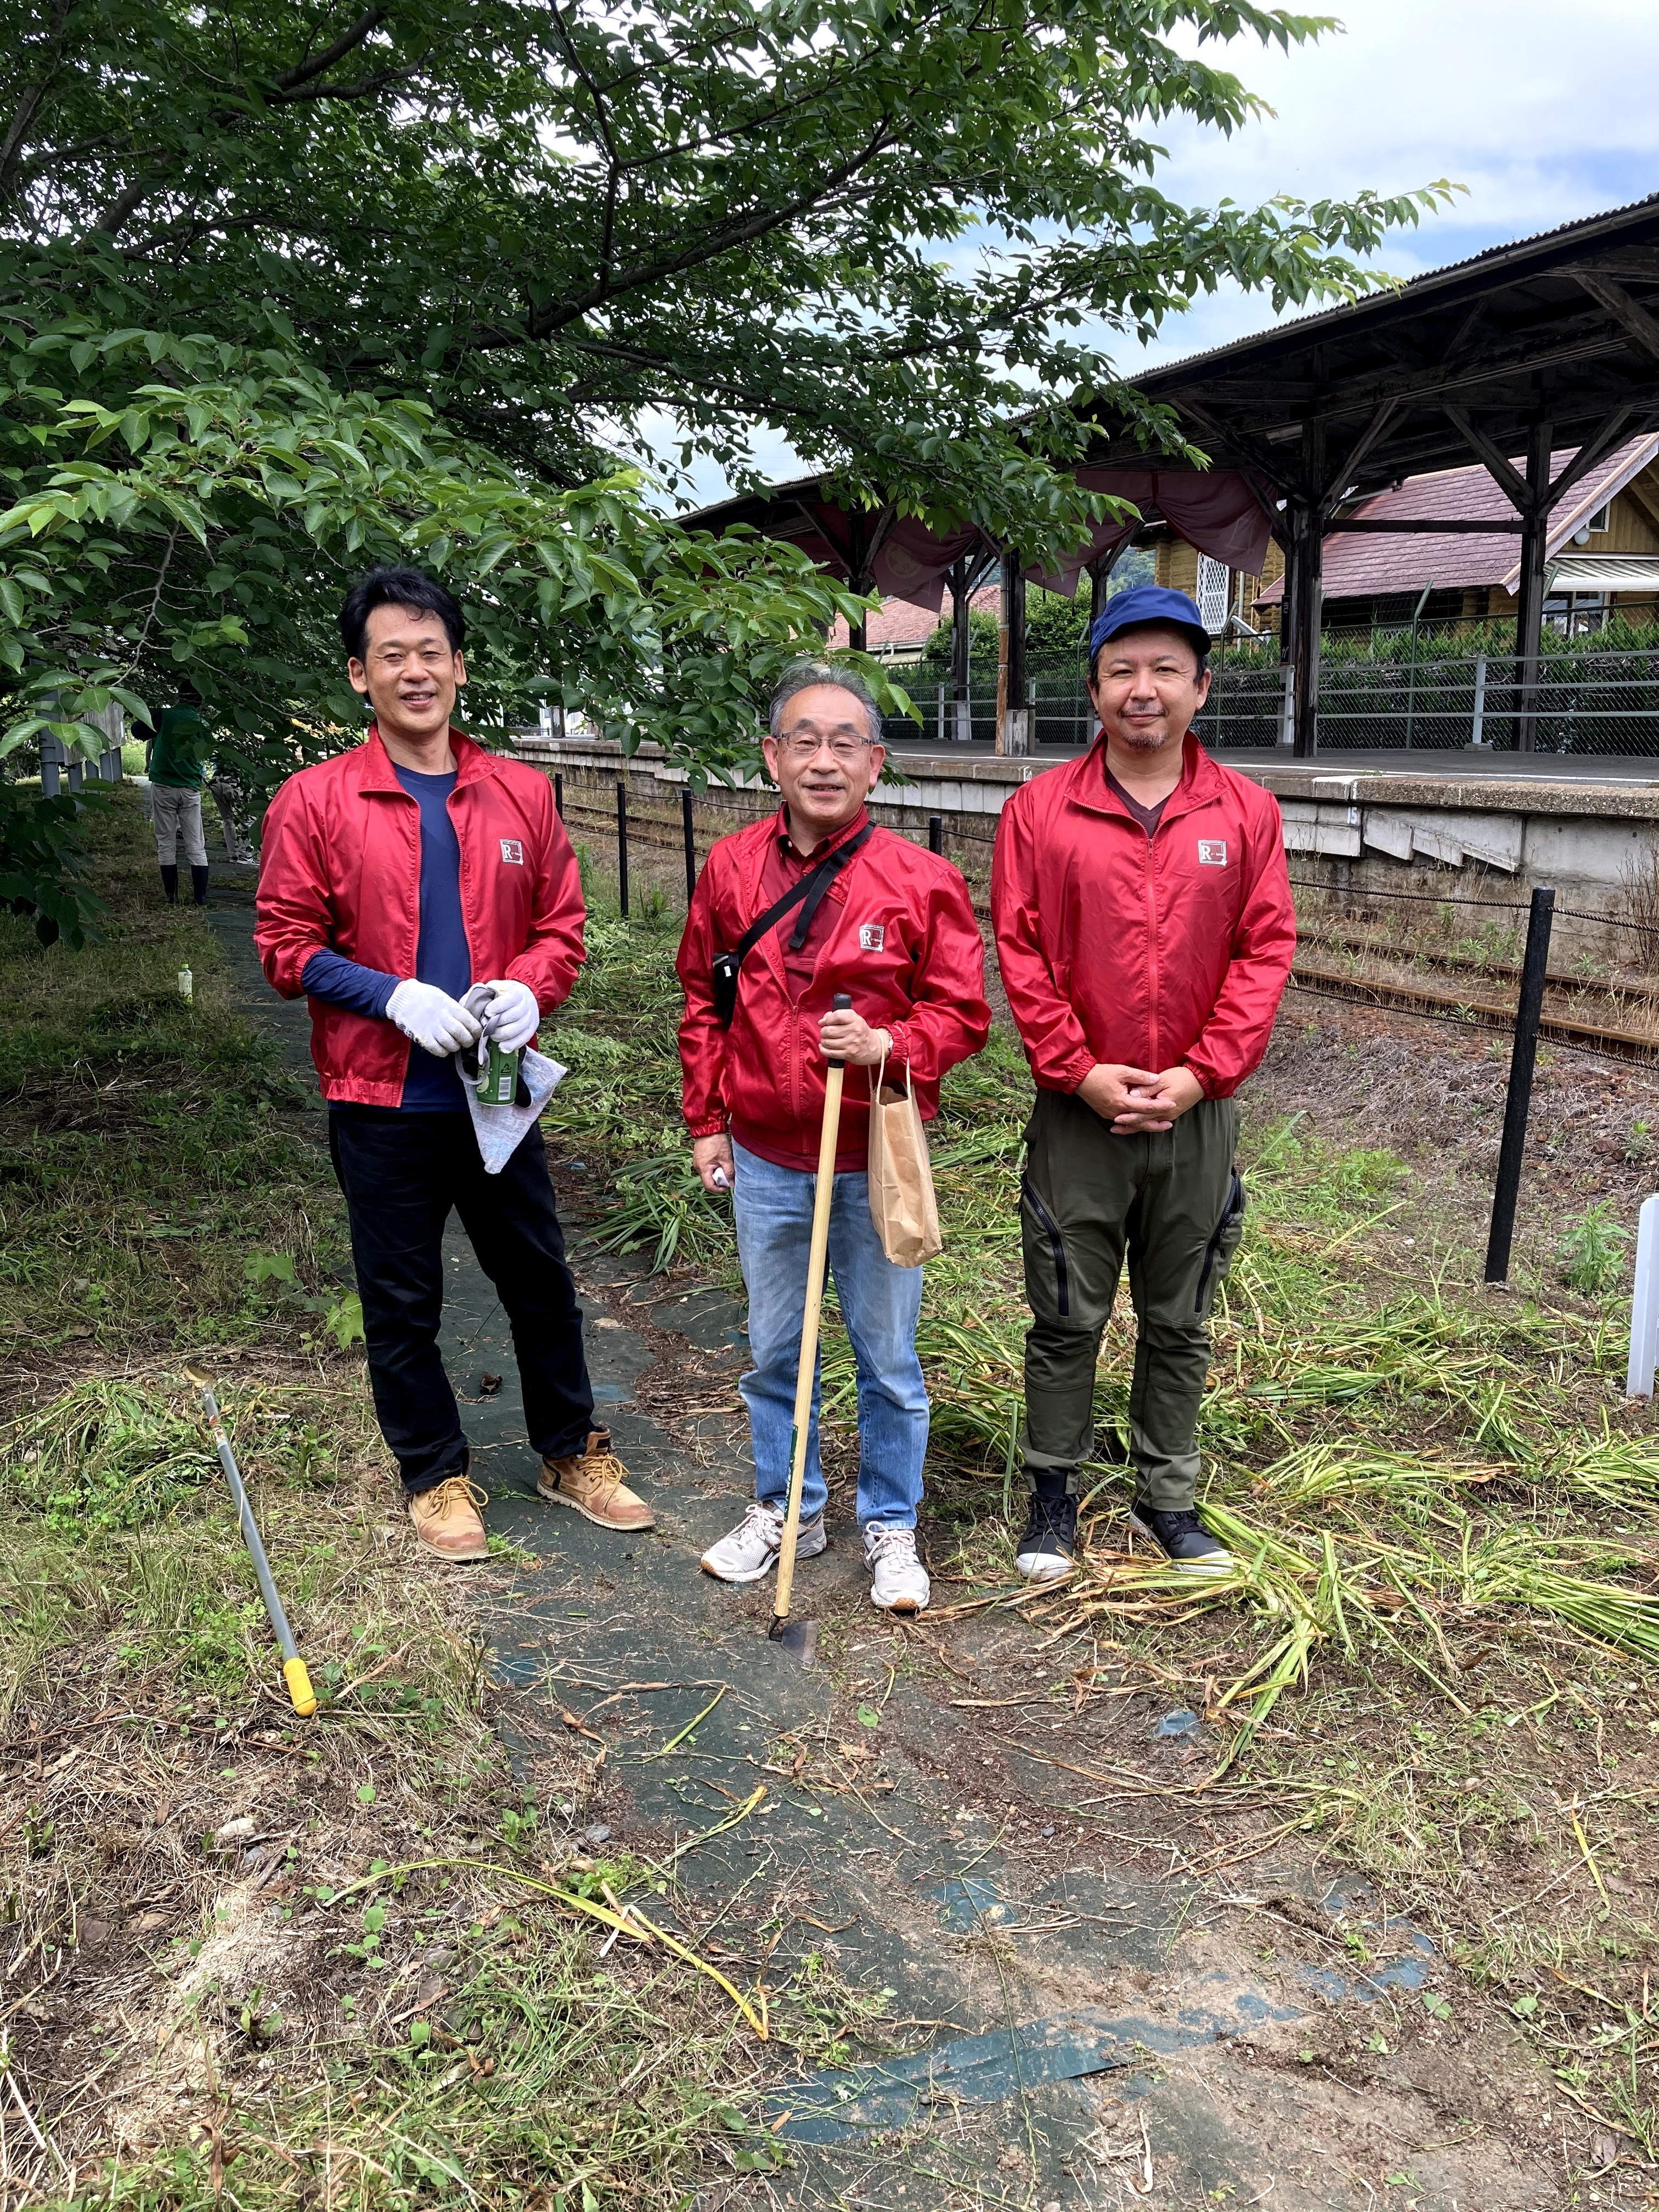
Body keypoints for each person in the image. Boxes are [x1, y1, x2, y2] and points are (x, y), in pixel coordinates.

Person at [255, 565, 652, 1562]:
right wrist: (389, 993)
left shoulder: (517, 792)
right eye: (391, 654)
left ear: (460, 665)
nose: (414, 670)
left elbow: (563, 926)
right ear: (359, 675)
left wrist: (530, 987)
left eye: (430, 651)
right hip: (379, 1093)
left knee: (541, 1279)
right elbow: (283, 945)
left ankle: (571, 1452)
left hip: (496, 1092)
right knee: (401, 1298)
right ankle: (433, 1473)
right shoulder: (315, 800)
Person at [991, 584, 1296, 1582]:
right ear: (1092, 688)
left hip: (1195, 1110)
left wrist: (1201, 1073)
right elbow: (1021, 951)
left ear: (1200, 688)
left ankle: (1169, 1492)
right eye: (1121, 669)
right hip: (1077, 1111)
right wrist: (1077, 1072)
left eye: (1164, 668)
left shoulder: (1243, 812)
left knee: (1179, 1312)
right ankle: (1052, 1490)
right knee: (1066, 1308)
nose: (1142, 688)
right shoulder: (1039, 811)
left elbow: (1263, 950)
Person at [678, 661, 991, 1613]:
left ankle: (889, 1522)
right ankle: (787, 1506)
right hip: (769, 1155)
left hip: (874, 1160)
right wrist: (706, 1119)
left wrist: (889, 1043)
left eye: (843, 742)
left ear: (875, 762)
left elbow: (964, 1013)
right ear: (772, 757)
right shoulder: (730, 869)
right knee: (777, 1349)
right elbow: (702, 996)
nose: (823, 760)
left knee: (887, 1360)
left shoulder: (919, 880)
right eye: (803, 741)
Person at [148, 681, 212, 905]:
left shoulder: (163, 716)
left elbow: (138, 729)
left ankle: (171, 896)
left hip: (164, 786)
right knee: (196, 843)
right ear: (201, 699)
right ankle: (200, 897)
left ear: (179, 696)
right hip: (190, 788)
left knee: (166, 842)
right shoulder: (202, 724)